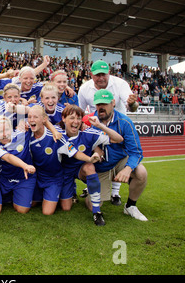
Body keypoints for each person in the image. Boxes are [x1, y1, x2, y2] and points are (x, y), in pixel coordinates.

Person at [78, 60, 139, 203]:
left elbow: (132, 106)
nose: (101, 78)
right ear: (91, 75)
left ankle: (116, 193)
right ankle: (94, 184)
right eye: (97, 75)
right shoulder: (84, 88)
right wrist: (83, 126)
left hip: (118, 126)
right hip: (96, 125)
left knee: (119, 154)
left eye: (104, 74)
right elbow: (80, 111)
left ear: (109, 73)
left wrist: (132, 104)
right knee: (98, 156)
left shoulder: (121, 84)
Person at [28, 105, 100, 216]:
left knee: (54, 210)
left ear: (44, 119)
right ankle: (46, 195)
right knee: (31, 204)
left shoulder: (56, 136)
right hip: (37, 176)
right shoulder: (27, 134)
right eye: (29, 117)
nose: (32, 120)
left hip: (54, 178)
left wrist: (89, 158)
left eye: (35, 117)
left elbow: (74, 152)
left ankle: (59, 193)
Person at [59, 105, 124, 225]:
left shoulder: (89, 133)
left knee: (89, 167)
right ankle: (72, 190)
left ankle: (97, 212)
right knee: (66, 207)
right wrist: (90, 158)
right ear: (64, 118)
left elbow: (118, 139)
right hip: (64, 173)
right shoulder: (58, 134)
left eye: (79, 118)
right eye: (72, 118)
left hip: (81, 169)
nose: (75, 122)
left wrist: (100, 125)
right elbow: (75, 153)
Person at [92, 89, 148, 221]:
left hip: (119, 162)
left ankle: (130, 206)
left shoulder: (125, 122)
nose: (101, 107)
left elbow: (136, 151)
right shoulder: (88, 120)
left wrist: (128, 169)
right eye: (98, 104)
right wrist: (94, 148)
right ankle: (92, 188)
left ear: (113, 103)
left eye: (105, 104)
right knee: (91, 206)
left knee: (141, 173)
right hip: (100, 167)